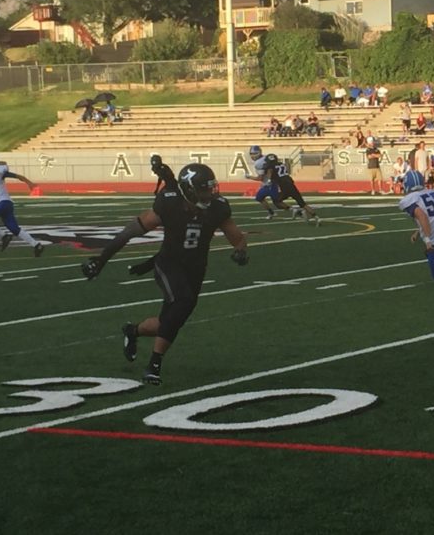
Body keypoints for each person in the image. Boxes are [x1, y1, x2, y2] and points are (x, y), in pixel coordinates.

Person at [81, 162, 249, 385]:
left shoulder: (218, 207)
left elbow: (236, 236)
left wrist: (240, 251)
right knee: (182, 301)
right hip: (168, 264)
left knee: (170, 321)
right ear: (189, 190)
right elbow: (129, 232)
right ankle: (154, 365)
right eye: (204, 189)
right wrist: (101, 260)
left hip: (196, 268)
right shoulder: (169, 203)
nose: (210, 193)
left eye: (211, 188)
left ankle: (133, 331)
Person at [263, 153, 322, 227]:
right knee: (303, 204)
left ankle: (294, 209)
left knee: (276, 201)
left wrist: (267, 182)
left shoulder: (270, 167)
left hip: (284, 187)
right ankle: (316, 217)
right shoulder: (281, 164)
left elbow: (269, 175)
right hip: (291, 185)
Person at [244, 145, 292, 220]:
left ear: (259, 153)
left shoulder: (258, 163)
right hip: (270, 183)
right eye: (251, 154)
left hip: (270, 184)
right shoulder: (266, 158)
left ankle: (295, 210)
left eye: (254, 153)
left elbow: (260, 178)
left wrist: (249, 177)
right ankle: (271, 212)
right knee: (260, 197)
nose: (253, 156)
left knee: (277, 203)